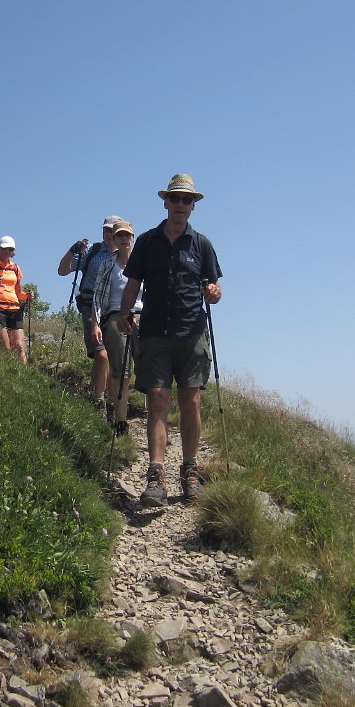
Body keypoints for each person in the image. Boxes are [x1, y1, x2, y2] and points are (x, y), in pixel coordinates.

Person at [117, 174, 223, 505]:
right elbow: (133, 284)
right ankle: (156, 475)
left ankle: (189, 472)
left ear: (193, 206)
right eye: (175, 199)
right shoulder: (148, 242)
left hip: (192, 331)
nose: (180, 204)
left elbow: (216, 291)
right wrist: (124, 313)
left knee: (191, 401)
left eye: (186, 200)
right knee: (158, 398)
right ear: (165, 202)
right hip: (154, 331)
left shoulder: (202, 244)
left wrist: (214, 293)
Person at [57, 215, 122, 407]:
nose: (108, 234)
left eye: (112, 230)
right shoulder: (92, 252)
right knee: (101, 354)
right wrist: (72, 250)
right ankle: (97, 401)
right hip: (89, 305)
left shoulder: (125, 255)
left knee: (114, 357)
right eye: (105, 230)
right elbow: (62, 270)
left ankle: (111, 401)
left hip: (114, 309)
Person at [90, 219, 143, 435]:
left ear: (132, 238)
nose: (123, 239)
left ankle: (153, 420)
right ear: (114, 238)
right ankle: (121, 421)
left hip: (142, 315)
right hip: (115, 315)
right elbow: (98, 296)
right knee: (122, 370)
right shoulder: (108, 265)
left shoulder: (142, 264)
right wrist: (95, 323)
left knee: (149, 366)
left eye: (126, 235)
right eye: (119, 235)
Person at [0, 236, 33, 364]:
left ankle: (24, 375)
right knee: (5, 347)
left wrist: (27, 295)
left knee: (20, 345)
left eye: (10, 249)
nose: (7, 252)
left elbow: (18, 292)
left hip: (15, 308)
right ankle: (7, 371)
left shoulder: (15, 268)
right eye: (4, 249)